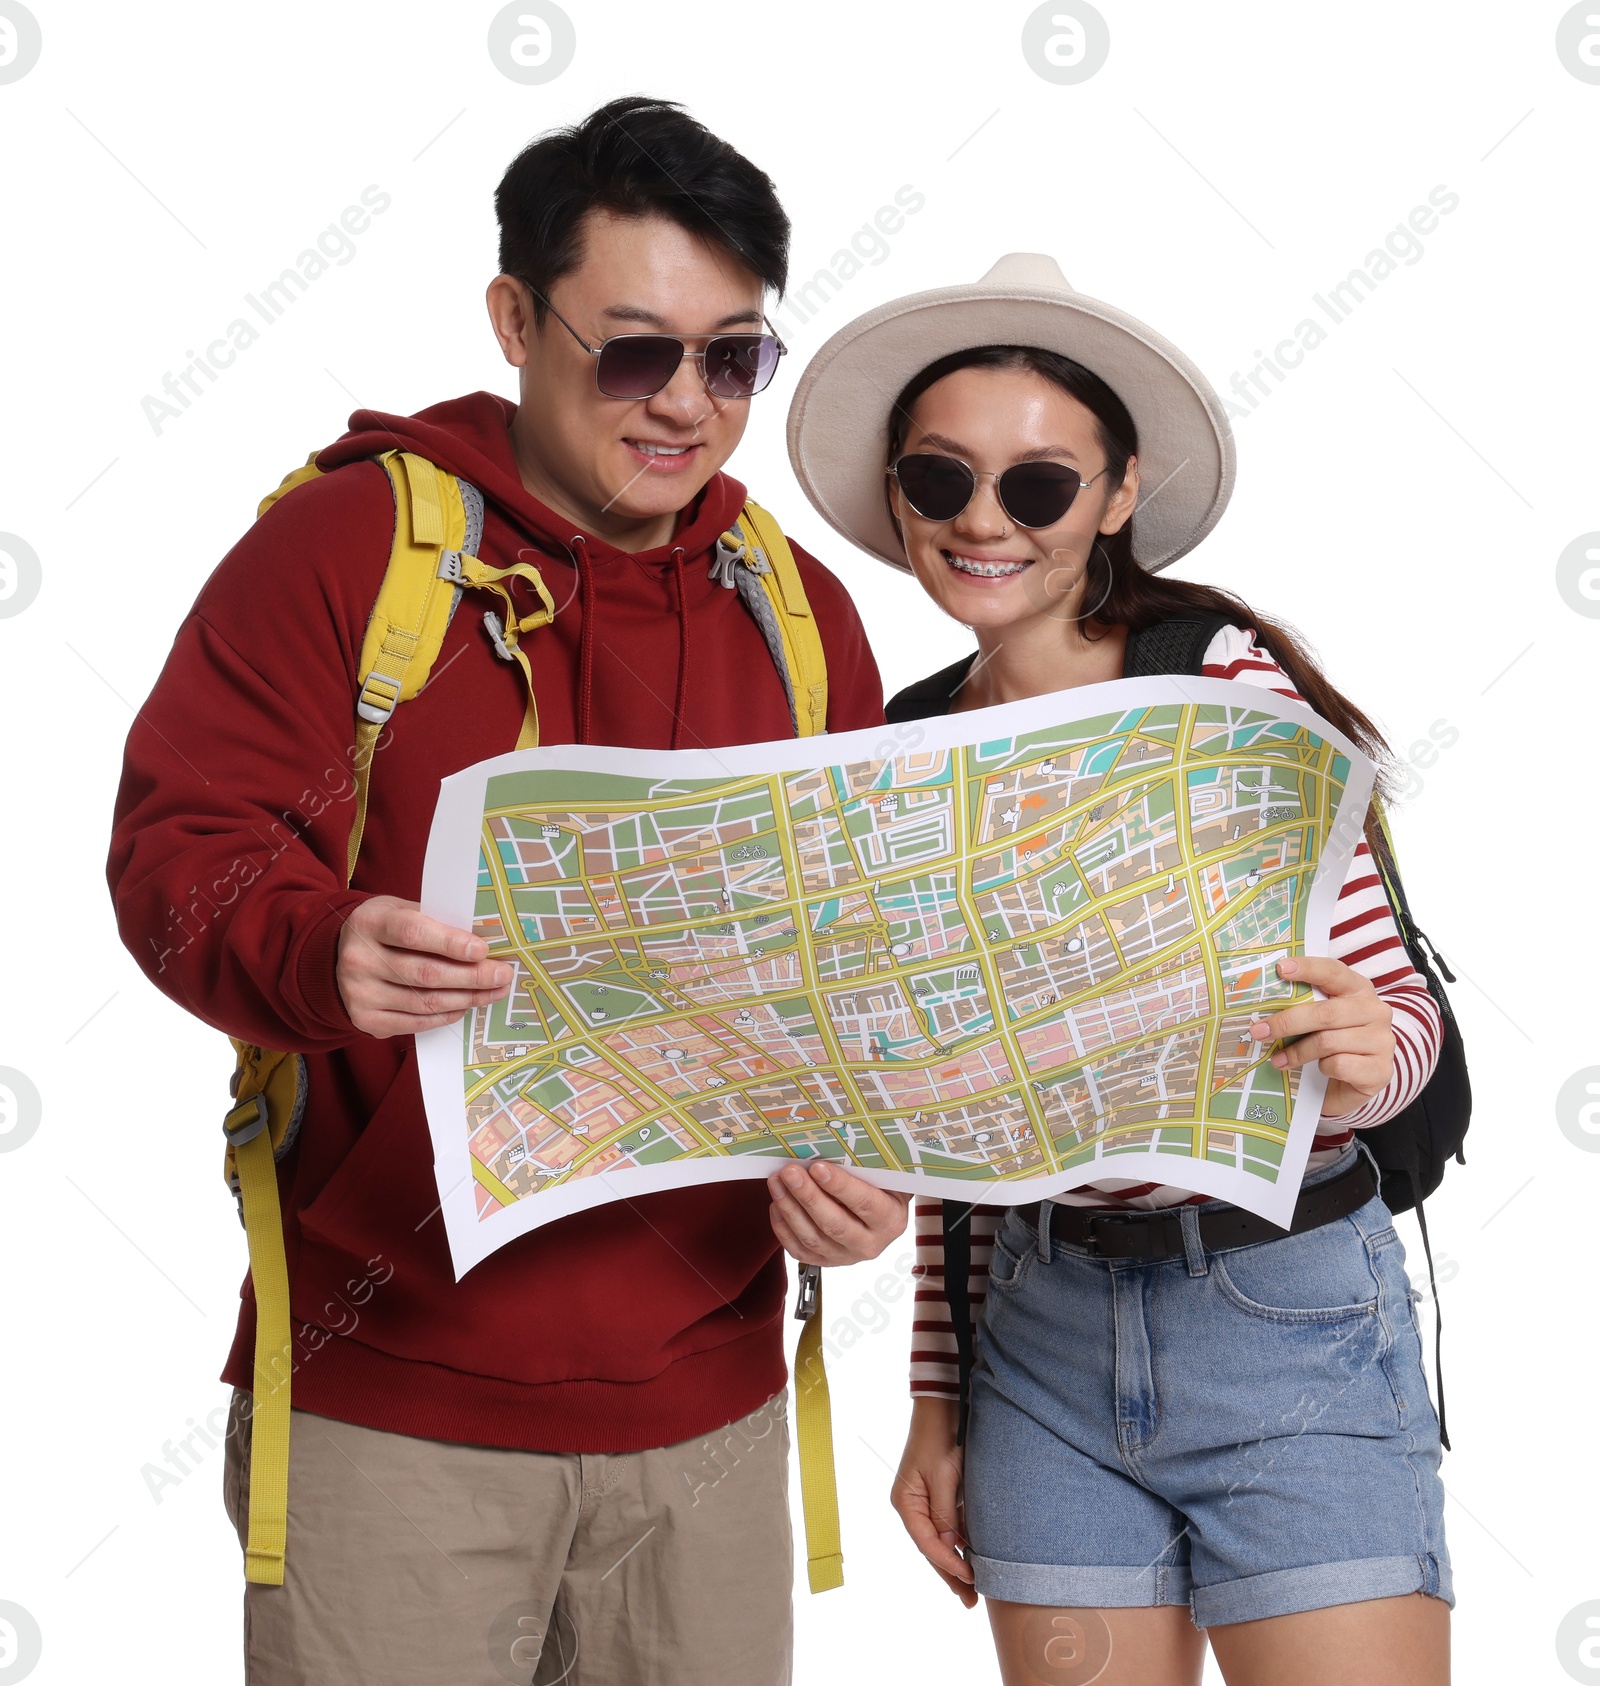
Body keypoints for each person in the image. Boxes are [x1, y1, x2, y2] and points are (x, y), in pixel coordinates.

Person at [107, 97, 907, 1686]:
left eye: (733, 358)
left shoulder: (802, 616)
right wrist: (320, 947)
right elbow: (174, 853)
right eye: (633, 352)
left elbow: (864, 976)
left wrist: (872, 1182)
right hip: (389, 1402)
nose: (686, 404)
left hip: (715, 1419)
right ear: (514, 321)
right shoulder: (349, 547)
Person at [781, 254, 1451, 1685]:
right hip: (1040, 1342)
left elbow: (1401, 1019)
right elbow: (954, 1122)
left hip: (1286, 1316)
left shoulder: (1222, 682)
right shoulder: (894, 752)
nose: (982, 519)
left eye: (1037, 485)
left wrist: (1354, 1059)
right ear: (901, 493)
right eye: (942, 477)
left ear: (1117, 491)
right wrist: (938, 1406)